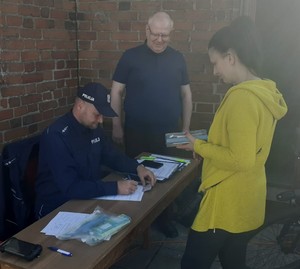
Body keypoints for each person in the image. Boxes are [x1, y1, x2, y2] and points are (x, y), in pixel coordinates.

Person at [178, 16, 288, 269]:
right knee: (233, 260)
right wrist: (208, 144)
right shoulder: (265, 90)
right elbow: (244, 144)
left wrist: (198, 146)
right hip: (248, 195)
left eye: (215, 63)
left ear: (230, 56)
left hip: (225, 199)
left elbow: (240, 158)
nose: (215, 71)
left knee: (192, 263)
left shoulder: (242, 98)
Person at [110, 11, 192, 238]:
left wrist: (185, 129)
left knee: (168, 180)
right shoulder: (130, 56)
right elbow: (116, 91)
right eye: (155, 34)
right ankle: (138, 224)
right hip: (136, 131)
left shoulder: (178, 59)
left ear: (171, 34)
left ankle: (164, 219)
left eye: (165, 35)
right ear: (146, 30)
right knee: (137, 176)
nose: (159, 39)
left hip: (170, 133)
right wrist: (117, 125)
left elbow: (186, 95)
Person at [35, 82, 156, 219]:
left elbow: (112, 155)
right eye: (97, 114)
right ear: (80, 106)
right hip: (57, 207)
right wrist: (115, 187)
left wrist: (137, 167)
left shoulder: (93, 128)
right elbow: (71, 187)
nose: (101, 120)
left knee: (131, 215)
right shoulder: (57, 136)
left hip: (88, 197)